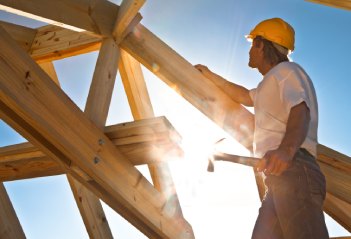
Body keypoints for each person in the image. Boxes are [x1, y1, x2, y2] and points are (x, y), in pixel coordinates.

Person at [195, 18, 329, 239]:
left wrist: (286, 150)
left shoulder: (287, 71)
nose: (249, 51)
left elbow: (300, 110)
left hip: (296, 169)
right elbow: (243, 96)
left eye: (252, 45)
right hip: (278, 177)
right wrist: (209, 75)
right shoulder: (270, 83)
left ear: (261, 44)